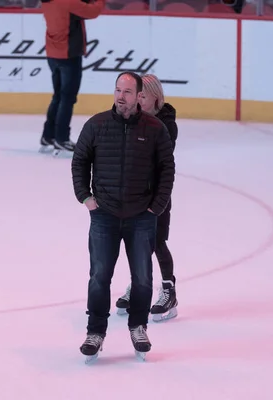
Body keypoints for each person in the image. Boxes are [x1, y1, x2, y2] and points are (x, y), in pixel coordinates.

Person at [71, 71, 175, 361]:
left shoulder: (155, 128)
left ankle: (138, 327)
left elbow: (167, 168)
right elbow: (80, 161)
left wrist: (157, 206)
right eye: (118, 90)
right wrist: (86, 198)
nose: (121, 96)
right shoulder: (97, 125)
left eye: (127, 92)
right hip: (104, 215)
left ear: (139, 95)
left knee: (142, 278)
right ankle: (95, 333)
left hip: (142, 216)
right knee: (99, 277)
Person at [115, 74, 179, 323]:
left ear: (155, 97)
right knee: (135, 242)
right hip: (134, 192)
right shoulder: (132, 119)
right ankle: (138, 285)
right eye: (136, 94)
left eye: (142, 94)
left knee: (157, 242)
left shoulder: (165, 125)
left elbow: (154, 159)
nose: (137, 98)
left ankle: (168, 291)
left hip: (158, 194)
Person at [39, 0, 105, 154]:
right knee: (67, 98)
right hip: (69, 56)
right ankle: (62, 138)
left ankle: (48, 136)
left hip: (53, 55)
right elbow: (92, 12)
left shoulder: (48, 2)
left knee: (58, 96)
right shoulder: (68, 2)